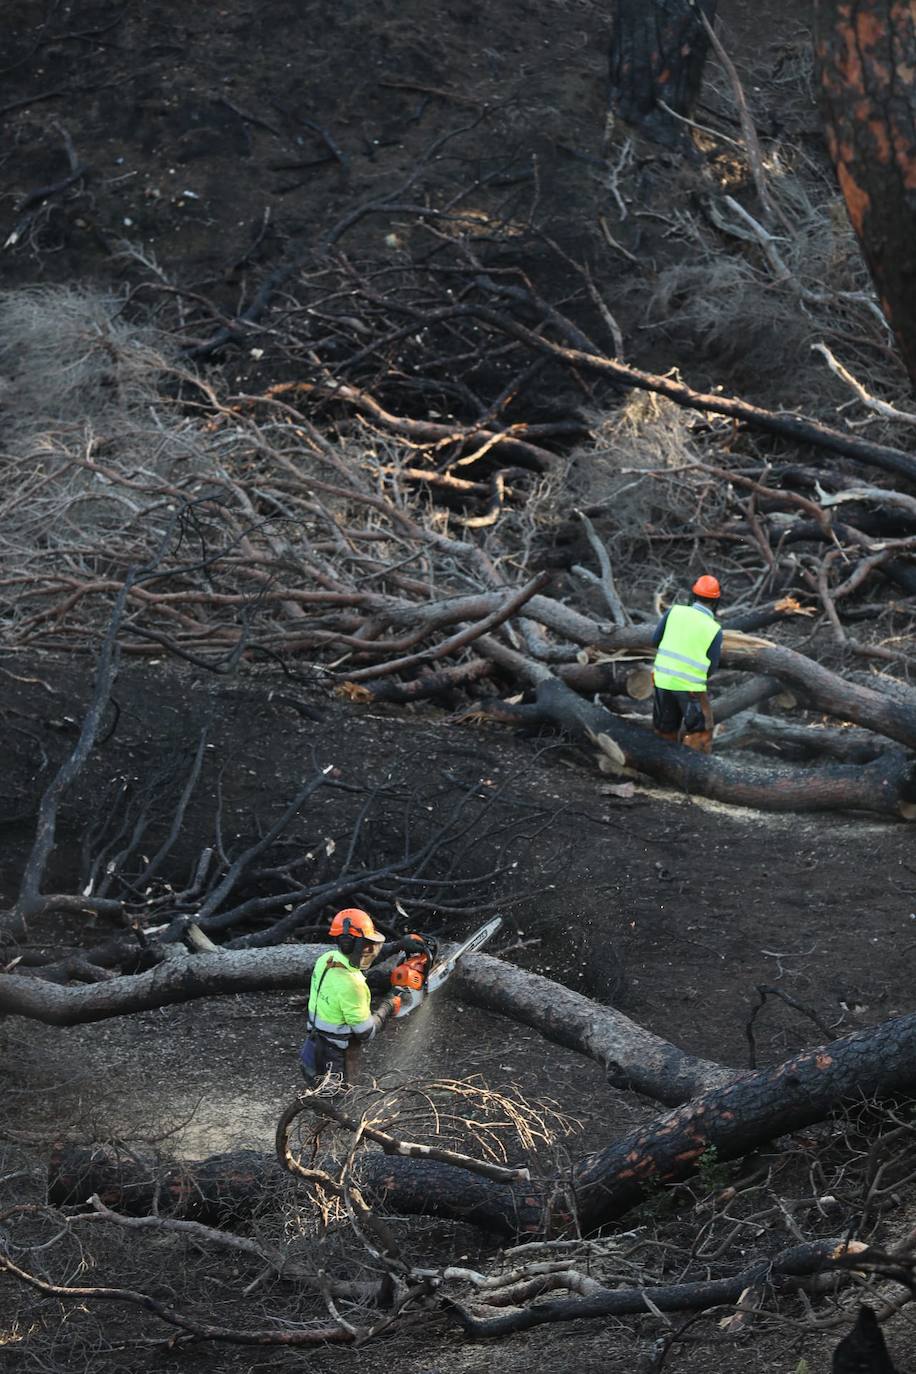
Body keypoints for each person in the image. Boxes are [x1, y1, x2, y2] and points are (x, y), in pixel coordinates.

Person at [298, 908, 426, 1087]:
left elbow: (363, 959)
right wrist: (389, 1004)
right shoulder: (353, 985)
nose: (369, 949)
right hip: (333, 1060)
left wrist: (398, 946)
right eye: (365, 944)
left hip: (312, 1050)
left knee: (318, 1098)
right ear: (348, 943)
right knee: (338, 1104)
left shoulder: (327, 959)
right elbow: (366, 1032)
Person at [651, 574, 723, 753]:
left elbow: (655, 640)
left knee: (664, 731)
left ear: (694, 595)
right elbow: (712, 667)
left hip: (662, 680)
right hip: (690, 688)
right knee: (701, 735)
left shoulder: (674, 612)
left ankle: (662, 768)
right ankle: (694, 773)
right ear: (715, 601)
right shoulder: (714, 628)